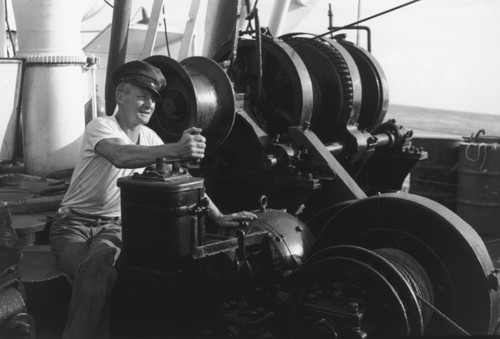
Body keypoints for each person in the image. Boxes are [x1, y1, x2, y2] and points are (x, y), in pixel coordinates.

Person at [49, 60, 257, 339]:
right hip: (72, 224)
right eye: (142, 96)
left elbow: (182, 180)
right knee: (95, 275)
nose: (149, 104)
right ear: (121, 96)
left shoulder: (150, 137)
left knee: (98, 267)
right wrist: (176, 148)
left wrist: (217, 216)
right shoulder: (100, 127)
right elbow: (121, 155)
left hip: (113, 226)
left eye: (154, 99)